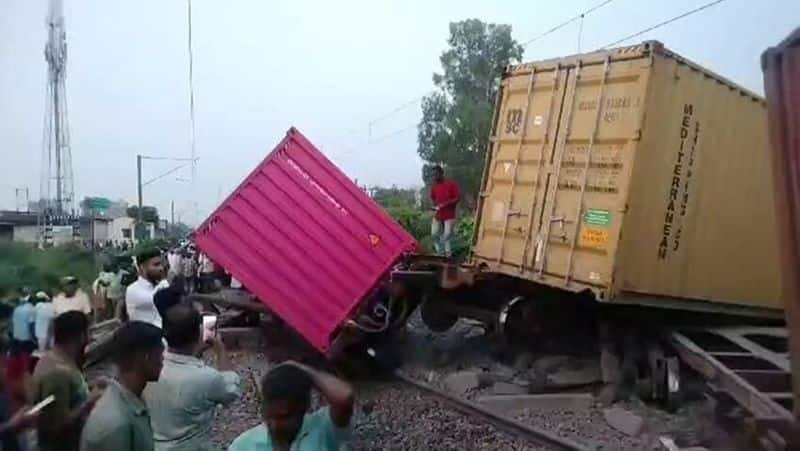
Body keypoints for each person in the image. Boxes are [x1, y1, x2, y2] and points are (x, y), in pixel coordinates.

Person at [144, 299, 241, 451]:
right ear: (199, 334)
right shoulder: (207, 377)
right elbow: (231, 391)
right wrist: (221, 350)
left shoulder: (149, 368)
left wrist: (195, 351)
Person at [228, 361, 354, 451]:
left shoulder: (323, 429)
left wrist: (300, 368)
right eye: (268, 415)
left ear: (304, 406)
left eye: (283, 417)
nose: (274, 425)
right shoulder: (244, 445)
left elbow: (344, 397)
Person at [80, 321, 164, 451]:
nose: (162, 362)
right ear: (145, 357)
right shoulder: (116, 424)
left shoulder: (130, 399)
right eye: (159, 355)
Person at [29, 311, 101, 451]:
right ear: (80, 336)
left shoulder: (52, 359)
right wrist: (90, 401)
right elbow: (56, 424)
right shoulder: (58, 372)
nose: (91, 337)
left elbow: (68, 397)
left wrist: (89, 386)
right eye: (89, 332)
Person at [125, 247, 167, 328]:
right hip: (144, 339)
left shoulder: (163, 284)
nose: (161, 268)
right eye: (156, 265)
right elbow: (157, 299)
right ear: (142, 267)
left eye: (161, 264)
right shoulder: (133, 290)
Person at [429, 165, 461, 257]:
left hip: (449, 215)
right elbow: (433, 198)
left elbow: (458, 198)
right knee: (434, 234)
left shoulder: (451, 184)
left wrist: (445, 204)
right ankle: (440, 253)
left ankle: (447, 254)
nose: (434, 177)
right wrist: (433, 206)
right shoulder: (434, 187)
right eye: (433, 175)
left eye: (436, 175)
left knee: (447, 235)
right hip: (438, 214)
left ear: (441, 174)